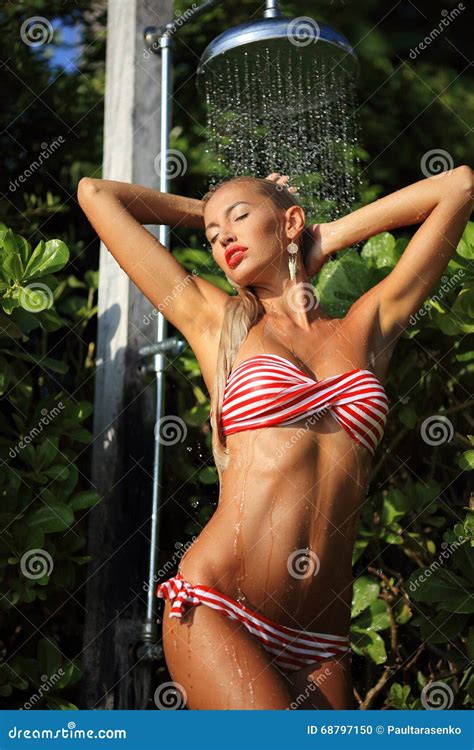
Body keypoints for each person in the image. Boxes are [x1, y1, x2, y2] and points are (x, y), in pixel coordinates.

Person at [77, 165, 473, 709]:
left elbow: (458, 187)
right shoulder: (213, 319)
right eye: (213, 237)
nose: (222, 239)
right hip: (219, 607)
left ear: (290, 222)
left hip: (319, 642)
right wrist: (210, 208)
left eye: (239, 219)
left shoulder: (367, 326)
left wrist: (328, 234)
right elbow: (96, 194)